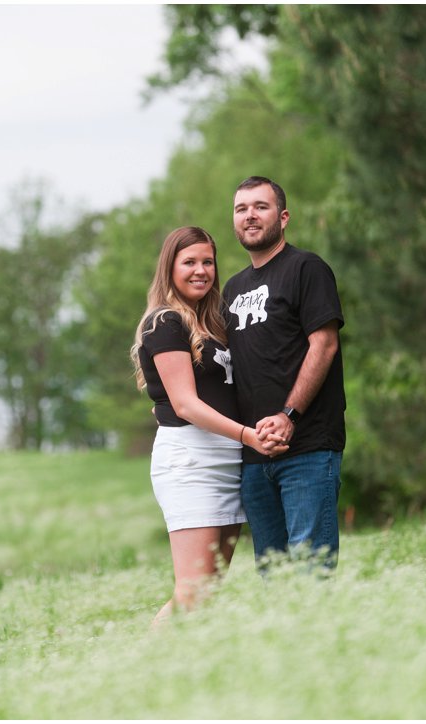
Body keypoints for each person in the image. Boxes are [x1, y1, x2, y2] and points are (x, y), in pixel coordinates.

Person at [131, 226, 285, 624]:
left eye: (208, 262)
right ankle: (142, 670)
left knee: (208, 592)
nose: (201, 271)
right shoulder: (164, 322)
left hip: (227, 461)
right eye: (189, 263)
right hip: (191, 462)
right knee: (193, 592)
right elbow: (184, 404)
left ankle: (181, 675)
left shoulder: (213, 324)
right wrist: (248, 435)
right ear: (170, 268)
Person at [223, 176, 346, 571]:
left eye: (261, 206)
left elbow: (324, 344)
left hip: (307, 447)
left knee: (310, 569)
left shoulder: (306, 268)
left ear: (284, 216)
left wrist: (288, 415)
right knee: (272, 574)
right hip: (255, 455)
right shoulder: (232, 288)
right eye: (241, 209)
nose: (250, 216)